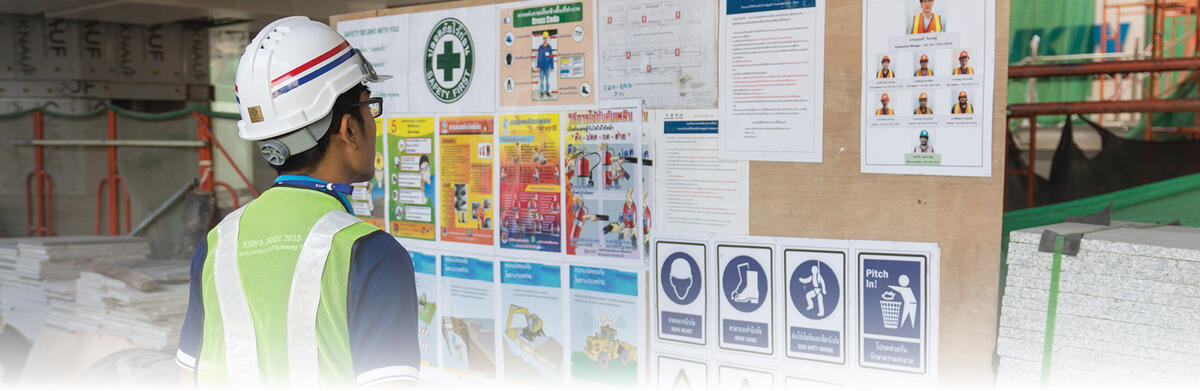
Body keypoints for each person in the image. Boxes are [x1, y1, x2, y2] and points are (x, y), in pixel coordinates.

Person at [176, 17, 418, 388]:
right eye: (369, 107)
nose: (372, 121)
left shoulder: (215, 247)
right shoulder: (370, 256)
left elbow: (186, 376)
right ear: (348, 129)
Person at [535, 31, 554, 98]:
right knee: (542, 81)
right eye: (544, 38)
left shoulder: (549, 47)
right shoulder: (540, 47)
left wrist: (552, 67)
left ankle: (548, 92)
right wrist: (538, 66)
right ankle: (542, 92)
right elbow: (538, 57)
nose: (545, 39)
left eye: (546, 38)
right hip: (542, 68)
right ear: (543, 38)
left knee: (548, 81)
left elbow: (551, 57)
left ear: (547, 38)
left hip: (547, 67)